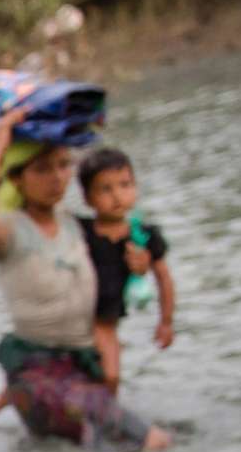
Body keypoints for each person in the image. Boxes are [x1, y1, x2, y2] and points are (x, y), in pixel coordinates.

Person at [0, 110, 171, 452]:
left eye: (64, 166)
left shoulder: (77, 226)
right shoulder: (13, 231)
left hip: (82, 367)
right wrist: (0, 141)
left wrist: (139, 267)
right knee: (152, 441)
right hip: (38, 375)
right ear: (16, 178)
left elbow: (116, 265)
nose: (56, 178)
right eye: (42, 169)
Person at [74, 148, 175, 392]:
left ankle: (108, 420)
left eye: (125, 185)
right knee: (92, 376)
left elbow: (164, 278)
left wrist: (166, 322)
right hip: (77, 318)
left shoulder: (143, 236)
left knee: (111, 378)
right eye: (105, 189)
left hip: (108, 321)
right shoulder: (79, 231)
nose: (117, 196)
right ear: (87, 197)